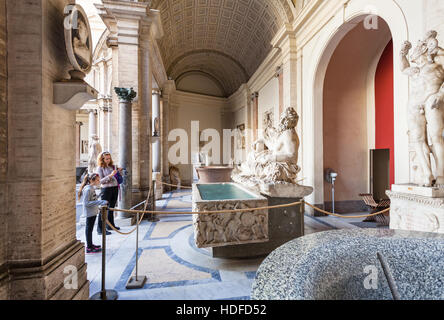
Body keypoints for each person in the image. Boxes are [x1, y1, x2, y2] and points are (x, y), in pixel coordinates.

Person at [78, 173, 108, 254]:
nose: (99, 181)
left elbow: (92, 199)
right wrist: (100, 201)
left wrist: (98, 197)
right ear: (92, 180)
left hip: (93, 212)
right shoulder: (88, 189)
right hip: (90, 212)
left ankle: (91, 244)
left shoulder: (91, 188)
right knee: (89, 229)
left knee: (90, 229)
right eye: (97, 180)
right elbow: (86, 203)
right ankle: (89, 247)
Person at [96, 151, 122, 234]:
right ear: (102, 159)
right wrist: (110, 175)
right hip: (106, 190)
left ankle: (111, 225)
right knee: (103, 209)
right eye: (106, 159)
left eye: (109, 158)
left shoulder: (112, 166)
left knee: (112, 208)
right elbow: (100, 181)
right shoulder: (99, 168)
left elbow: (116, 177)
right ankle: (100, 229)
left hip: (114, 188)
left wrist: (118, 172)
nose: (108, 160)